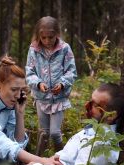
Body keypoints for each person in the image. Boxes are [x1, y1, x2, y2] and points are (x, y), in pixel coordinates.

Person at [23, 83, 124, 165]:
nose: (87, 106)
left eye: (95, 105)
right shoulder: (93, 129)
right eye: (90, 100)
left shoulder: (101, 145)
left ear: (111, 115)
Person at [25, 16, 77, 156]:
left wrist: (62, 83)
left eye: (51, 37)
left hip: (58, 99)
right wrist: (38, 83)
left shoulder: (64, 49)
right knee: (44, 133)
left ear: (57, 34)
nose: (47, 41)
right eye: (44, 38)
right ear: (38, 36)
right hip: (41, 98)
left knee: (54, 133)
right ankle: (38, 159)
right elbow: (29, 72)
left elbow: (72, 71)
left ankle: (62, 159)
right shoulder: (34, 49)